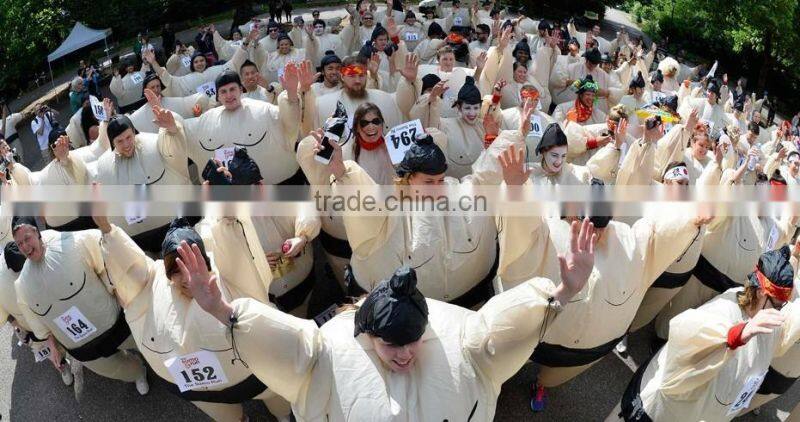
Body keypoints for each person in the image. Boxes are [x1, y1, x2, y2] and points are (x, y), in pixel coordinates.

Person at [173, 214, 597, 421]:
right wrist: (223, 311)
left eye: (412, 340)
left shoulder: (461, 338)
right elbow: (286, 345)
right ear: (367, 332)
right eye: (392, 343)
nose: (405, 354)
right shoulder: (327, 349)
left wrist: (563, 293)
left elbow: (500, 333)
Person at [91, 214, 292, 422]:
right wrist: (108, 231)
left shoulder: (226, 276)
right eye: (177, 270)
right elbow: (131, 269)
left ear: (206, 261)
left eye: (194, 264)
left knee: (276, 396)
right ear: (168, 274)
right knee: (228, 417)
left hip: (251, 376)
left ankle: (283, 414)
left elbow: (238, 251)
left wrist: (228, 216)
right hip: (202, 391)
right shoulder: (154, 285)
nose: (188, 277)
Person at [311, 127, 501, 306]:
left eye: (440, 180)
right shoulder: (390, 207)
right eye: (428, 181)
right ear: (409, 178)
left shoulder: (456, 195)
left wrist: (507, 138)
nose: (437, 188)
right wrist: (343, 172)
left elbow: (483, 184)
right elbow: (367, 208)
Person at [611, 245, 800, 422]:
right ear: (760, 292)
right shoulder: (726, 308)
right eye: (775, 304)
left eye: (782, 306)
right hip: (667, 410)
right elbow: (685, 332)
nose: (778, 310)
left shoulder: (768, 319)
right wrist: (736, 336)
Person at [11, 217, 149, 395]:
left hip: (116, 324)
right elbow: (40, 324)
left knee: (147, 343)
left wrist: (123, 294)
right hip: (84, 350)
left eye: (27, 238)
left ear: (37, 233)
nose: (24, 247)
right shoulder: (22, 285)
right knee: (120, 369)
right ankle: (138, 372)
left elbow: (105, 263)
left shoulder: (72, 244)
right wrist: (53, 347)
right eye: (19, 243)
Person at [180, 64, 310, 185]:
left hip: (281, 183)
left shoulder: (262, 109)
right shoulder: (208, 119)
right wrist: (171, 125)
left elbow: (288, 121)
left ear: (240, 90)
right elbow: (185, 129)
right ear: (218, 96)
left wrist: (292, 95)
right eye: (223, 91)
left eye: (232, 89)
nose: (229, 95)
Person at [95, 93, 191, 254]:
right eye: (119, 141)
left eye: (128, 137)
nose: (126, 144)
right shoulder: (104, 164)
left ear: (134, 132)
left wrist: (173, 130)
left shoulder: (154, 144)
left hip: (171, 226)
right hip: (138, 237)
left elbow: (175, 152)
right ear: (112, 143)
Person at [0, 242, 78, 389]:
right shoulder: (8, 284)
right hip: (36, 325)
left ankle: (69, 360)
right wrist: (17, 326)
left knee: (57, 345)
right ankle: (64, 366)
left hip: (45, 319)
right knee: (54, 349)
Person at [144, 32, 250, 97]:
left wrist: (245, 43)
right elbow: (167, 78)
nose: (199, 63)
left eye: (202, 60)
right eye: (196, 61)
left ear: (206, 62)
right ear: (192, 64)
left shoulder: (216, 70)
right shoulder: (185, 80)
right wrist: (153, 62)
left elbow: (234, 62)